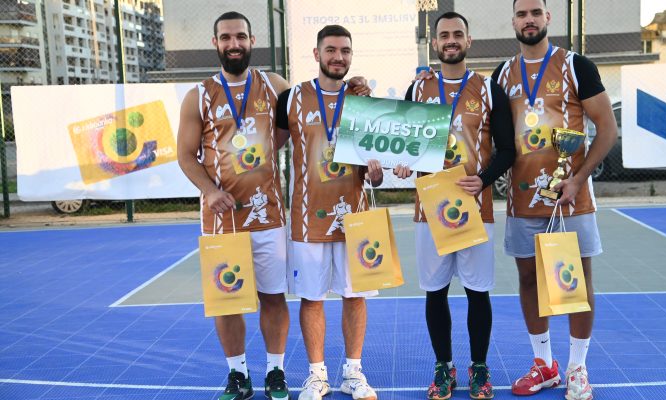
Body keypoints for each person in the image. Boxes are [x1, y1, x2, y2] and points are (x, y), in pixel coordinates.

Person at [491, 1, 618, 399]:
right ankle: (545, 364)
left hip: (569, 199)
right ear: (513, 21)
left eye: (535, 12)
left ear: (548, 17)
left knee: (575, 280)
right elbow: (487, 132)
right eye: (521, 14)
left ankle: (578, 368)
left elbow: (607, 128)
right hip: (523, 201)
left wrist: (579, 179)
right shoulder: (502, 74)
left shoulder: (576, 66)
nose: (528, 19)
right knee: (529, 280)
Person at [393, 11, 516, 400]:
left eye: (457, 34)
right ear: (434, 43)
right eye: (444, 34)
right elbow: (405, 146)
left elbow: (507, 149)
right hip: (429, 210)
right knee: (435, 291)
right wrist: (402, 162)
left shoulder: (489, 89)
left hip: (474, 207)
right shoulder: (418, 90)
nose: (450, 40)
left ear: (468, 40)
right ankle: (443, 366)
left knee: (478, 291)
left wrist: (484, 179)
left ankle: (479, 367)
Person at [176, 11, 292, 400]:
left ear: (252, 40)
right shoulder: (199, 95)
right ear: (215, 43)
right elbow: (186, 155)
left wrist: (355, 90)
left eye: (240, 36)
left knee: (273, 297)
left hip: (267, 215)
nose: (234, 44)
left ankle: (275, 372)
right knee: (228, 300)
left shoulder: (274, 85)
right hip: (221, 220)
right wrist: (209, 190)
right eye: (226, 38)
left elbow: (312, 113)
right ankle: (238, 374)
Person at [275, 25, 382, 400]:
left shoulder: (362, 100)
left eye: (345, 51)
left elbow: (375, 168)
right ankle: (317, 375)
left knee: (355, 296)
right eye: (331, 50)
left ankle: (353, 372)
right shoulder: (292, 99)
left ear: (351, 55)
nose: (338, 57)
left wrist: (376, 173)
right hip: (308, 219)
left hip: (356, 217)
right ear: (317, 54)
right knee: (312, 298)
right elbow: (268, 149)